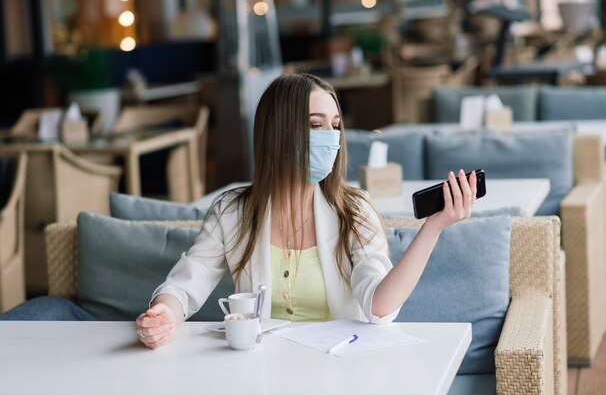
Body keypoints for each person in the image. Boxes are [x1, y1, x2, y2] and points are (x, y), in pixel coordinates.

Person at [135, 73, 477, 349]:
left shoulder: (354, 211)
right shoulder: (232, 211)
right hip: (262, 375)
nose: (330, 137)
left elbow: (379, 306)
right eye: (315, 125)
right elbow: (185, 285)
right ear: (278, 132)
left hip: (339, 371)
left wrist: (433, 227)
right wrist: (163, 314)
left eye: (334, 125)